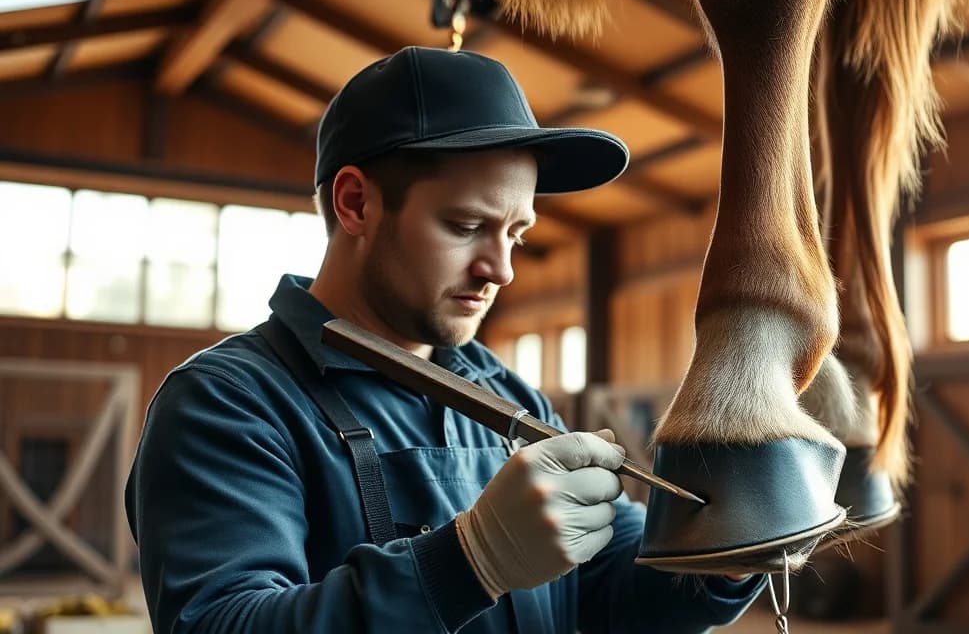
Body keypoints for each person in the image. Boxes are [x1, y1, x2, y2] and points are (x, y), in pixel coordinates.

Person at [125, 46, 765, 633]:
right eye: (466, 226)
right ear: (355, 204)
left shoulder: (504, 395)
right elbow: (221, 624)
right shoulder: (228, 404)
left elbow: (610, 588)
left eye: (515, 233)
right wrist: (469, 563)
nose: (503, 269)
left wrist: (724, 550)